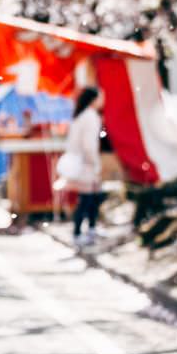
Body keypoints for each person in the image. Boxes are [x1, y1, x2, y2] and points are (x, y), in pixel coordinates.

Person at [65, 87, 104, 247]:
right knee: (88, 199)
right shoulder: (90, 117)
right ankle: (78, 232)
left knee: (91, 198)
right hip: (87, 163)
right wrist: (95, 162)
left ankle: (90, 229)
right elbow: (89, 145)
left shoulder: (80, 116)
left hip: (80, 161)